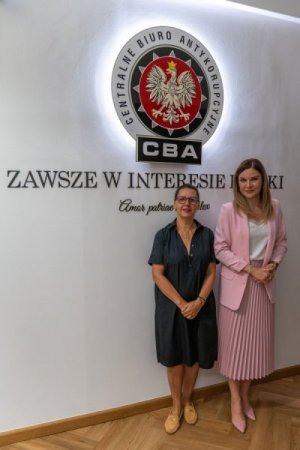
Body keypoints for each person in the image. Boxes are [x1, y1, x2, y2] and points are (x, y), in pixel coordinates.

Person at [214, 158, 287, 433]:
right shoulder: (228, 210)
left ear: (262, 181)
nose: (248, 185)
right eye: (243, 180)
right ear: (237, 183)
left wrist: (273, 265)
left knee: (255, 348)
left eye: (253, 179)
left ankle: (246, 395)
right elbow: (220, 248)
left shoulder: (275, 207)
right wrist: (249, 269)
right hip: (238, 287)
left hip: (264, 285)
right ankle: (235, 400)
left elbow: (281, 242)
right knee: (234, 350)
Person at [148, 184, 218, 434]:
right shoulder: (162, 236)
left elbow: (212, 272)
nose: (187, 203)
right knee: (174, 358)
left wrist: (198, 302)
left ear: (198, 204)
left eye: (192, 199)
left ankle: (188, 400)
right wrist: (182, 304)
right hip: (171, 309)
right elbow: (157, 274)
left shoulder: (208, 235)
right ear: (174, 203)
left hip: (201, 306)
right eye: (182, 199)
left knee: (195, 356)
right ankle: (175, 407)